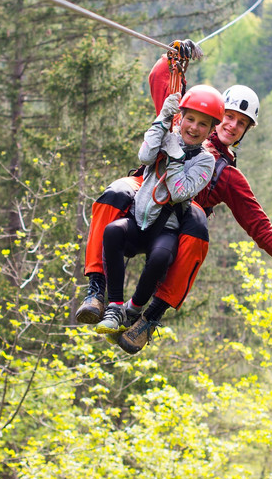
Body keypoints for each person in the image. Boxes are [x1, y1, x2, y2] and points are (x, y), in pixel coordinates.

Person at [77, 39, 272, 353]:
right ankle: (96, 289)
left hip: (176, 222)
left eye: (241, 124)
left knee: (198, 223)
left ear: (244, 132)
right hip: (144, 192)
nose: (232, 125)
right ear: (216, 114)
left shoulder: (227, 176)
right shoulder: (185, 120)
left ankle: (150, 316)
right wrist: (173, 56)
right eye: (229, 116)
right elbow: (160, 79)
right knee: (115, 191)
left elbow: (261, 228)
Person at [94, 83, 225, 335]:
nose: (194, 127)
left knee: (161, 258)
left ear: (210, 130)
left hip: (165, 228)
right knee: (112, 231)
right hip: (138, 221)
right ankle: (114, 306)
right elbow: (144, 156)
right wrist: (163, 119)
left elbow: (179, 192)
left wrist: (175, 159)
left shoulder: (206, 160)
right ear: (182, 118)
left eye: (202, 124)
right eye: (190, 119)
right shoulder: (168, 137)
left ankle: (133, 309)